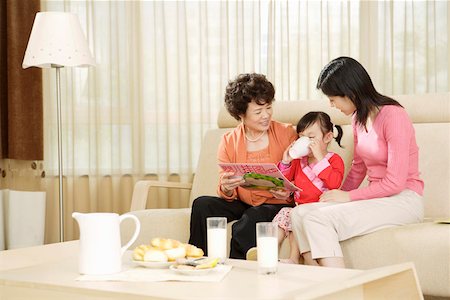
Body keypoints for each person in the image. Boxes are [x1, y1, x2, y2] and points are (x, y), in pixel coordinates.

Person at [291, 56, 424, 268]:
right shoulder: (357, 118)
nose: (331, 105)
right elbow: (358, 169)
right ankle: (318, 283)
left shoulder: (394, 115)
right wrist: (333, 197)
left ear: (350, 93)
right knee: (299, 214)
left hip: (403, 201)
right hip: (378, 199)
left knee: (317, 219)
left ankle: (341, 288)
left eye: (333, 98)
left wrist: (348, 196)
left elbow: (395, 183)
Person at [188, 73, 298, 259]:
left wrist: (288, 193)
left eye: (269, 108)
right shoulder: (228, 140)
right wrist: (226, 188)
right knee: (202, 205)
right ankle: (198, 261)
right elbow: (226, 188)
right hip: (243, 201)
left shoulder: (287, 133)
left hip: (275, 204)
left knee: (249, 220)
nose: (266, 116)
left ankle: (239, 271)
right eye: (258, 112)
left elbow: (301, 175)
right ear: (241, 114)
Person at [272, 112, 345, 264]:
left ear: (327, 137)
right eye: (301, 137)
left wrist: (320, 159)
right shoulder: (300, 161)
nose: (305, 142)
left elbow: (335, 183)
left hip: (319, 211)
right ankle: (269, 251)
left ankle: (293, 258)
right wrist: (286, 161)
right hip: (298, 209)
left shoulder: (334, 160)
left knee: (298, 219)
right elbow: (285, 179)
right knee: (284, 215)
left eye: (311, 138)